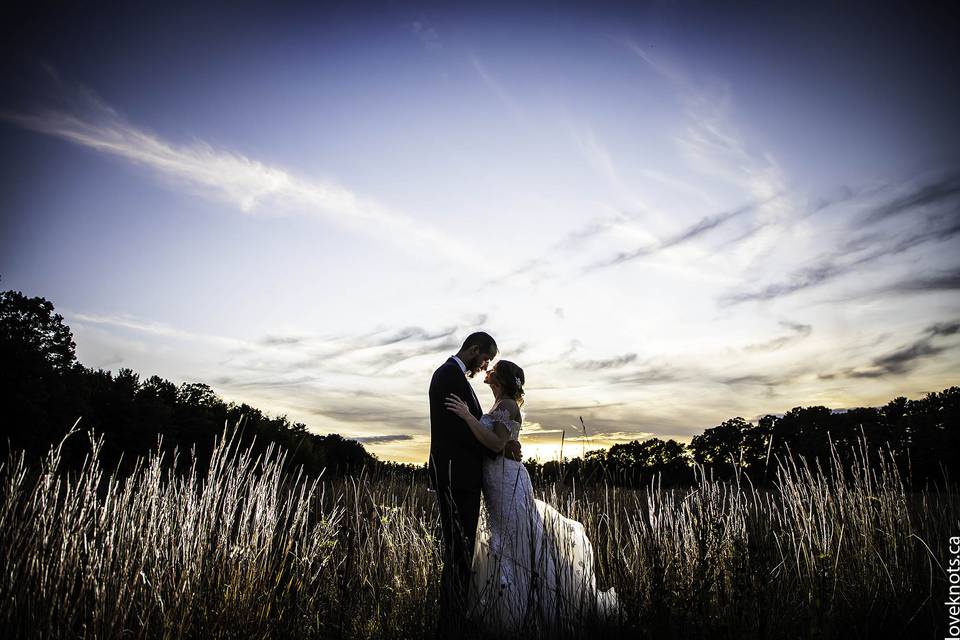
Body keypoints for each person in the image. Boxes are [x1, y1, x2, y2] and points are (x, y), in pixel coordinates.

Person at [445, 360, 618, 635]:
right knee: (505, 540)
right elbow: (497, 443)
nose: (487, 371)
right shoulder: (498, 405)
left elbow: (496, 443)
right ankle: (509, 610)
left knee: (515, 543)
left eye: (493, 369)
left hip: (506, 480)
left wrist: (467, 417)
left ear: (499, 378)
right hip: (496, 478)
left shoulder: (508, 405)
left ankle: (524, 612)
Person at [428, 332, 522, 637]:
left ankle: (453, 617)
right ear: (474, 349)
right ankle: (450, 623)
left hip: (465, 477)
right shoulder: (448, 377)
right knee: (458, 552)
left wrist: (502, 445)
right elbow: (460, 432)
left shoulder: (455, 377)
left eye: (490, 364)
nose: (485, 366)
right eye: (485, 359)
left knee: (461, 550)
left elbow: (483, 431)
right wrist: (498, 446)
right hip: (457, 477)